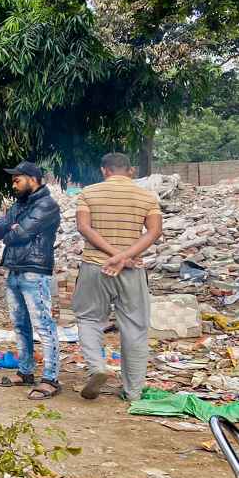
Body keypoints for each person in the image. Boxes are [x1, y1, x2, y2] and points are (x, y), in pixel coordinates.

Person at [73, 153, 162, 402]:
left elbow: (84, 227)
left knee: (89, 319)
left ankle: (97, 367)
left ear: (104, 170)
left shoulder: (88, 193)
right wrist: (126, 257)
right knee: (135, 327)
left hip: (94, 267)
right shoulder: (147, 196)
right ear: (130, 171)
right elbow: (155, 231)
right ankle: (133, 392)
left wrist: (114, 255)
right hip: (132, 270)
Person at [0, 161, 62, 400]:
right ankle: (25, 372)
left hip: (34, 270)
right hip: (13, 270)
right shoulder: (19, 204)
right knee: (20, 325)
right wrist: (10, 227)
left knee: (43, 324)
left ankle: (50, 379)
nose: (13, 184)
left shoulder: (47, 205)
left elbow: (18, 235)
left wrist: (10, 228)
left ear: (33, 178)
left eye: (17, 179)